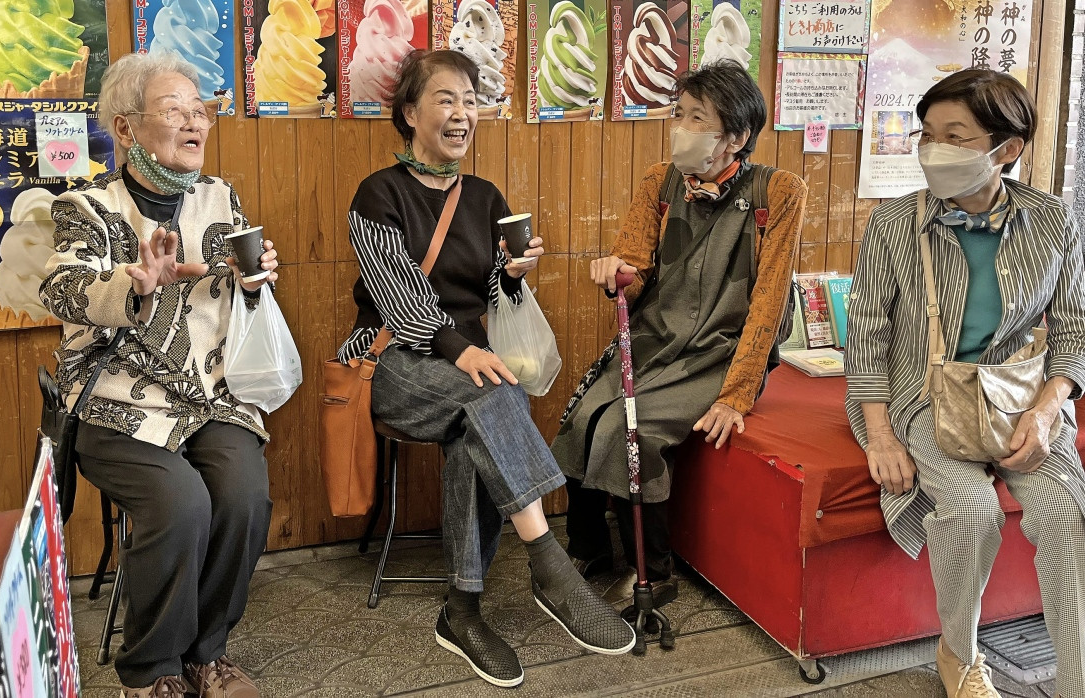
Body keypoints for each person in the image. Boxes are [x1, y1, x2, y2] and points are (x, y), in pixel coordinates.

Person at [337, 49, 635, 688]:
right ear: (410, 113)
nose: (462, 113)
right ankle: (549, 566)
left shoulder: (484, 195)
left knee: (479, 413)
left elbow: (491, 295)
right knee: (490, 394)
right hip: (394, 358)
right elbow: (397, 297)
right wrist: (461, 350)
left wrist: (510, 275)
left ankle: (463, 610)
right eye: (446, 99)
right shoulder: (378, 194)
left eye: (471, 101)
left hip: (471, 370)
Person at [39, 51, 280, 698]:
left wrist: (253, 281)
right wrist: (134, 282)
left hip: (207, 398)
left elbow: (234, 277)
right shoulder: (85, 207)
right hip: (115, 404)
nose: (194, 123)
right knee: (181, 502)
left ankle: (208, 654)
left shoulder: (218, 197)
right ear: (126, 128)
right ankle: (152, 671)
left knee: (244, 492)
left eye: (199, 111)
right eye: (174, 111)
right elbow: (61, 290)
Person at [846, 69, 1085, 698]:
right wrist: (880, 438)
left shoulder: (1053, 221)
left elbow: (1074, 330)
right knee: (972, 511)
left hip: (1020, 398)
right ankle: (961, 655)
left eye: (956, 136)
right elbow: (866, 339)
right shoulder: (894, 223)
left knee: (1067, 519)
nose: (934, 150)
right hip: (924, 395)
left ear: (1006, 149)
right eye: (928, 135)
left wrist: (1048, 408)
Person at [552, 60, 807, 591]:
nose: (681, 129)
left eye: (698, 119)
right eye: (680, 115)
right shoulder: (660, 181)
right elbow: (634, 266)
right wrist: (618, 273)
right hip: (652, 340)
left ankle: (654, 574)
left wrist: (736, 395)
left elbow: (769, 301)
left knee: (631, 432)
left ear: (736, 137)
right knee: (580, 419)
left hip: (719, 353)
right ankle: (590, 551)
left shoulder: (777, 192)